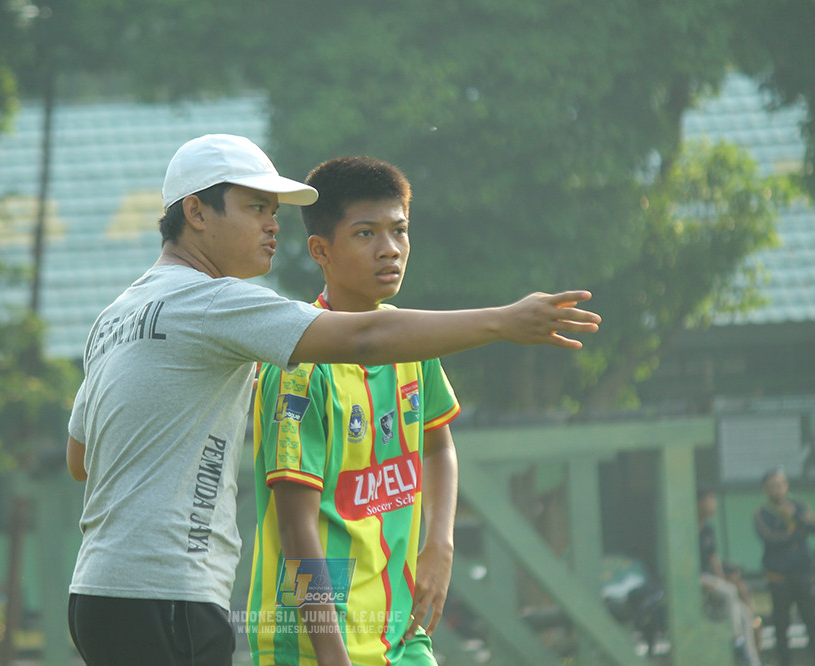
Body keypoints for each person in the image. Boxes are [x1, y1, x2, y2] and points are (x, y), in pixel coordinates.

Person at [65, 134, 601, 666]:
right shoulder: (213, 304)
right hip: (171, 594)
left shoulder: (117, 314)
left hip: (96, 590)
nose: (273, 225)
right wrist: (505, 321)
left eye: (274, 210)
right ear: (196, 212)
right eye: (256, 208)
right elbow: (361, 339)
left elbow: (79, 459)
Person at [247, 156, 461, 666]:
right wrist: (331, 655)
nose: (390, 249)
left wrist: (440, 544)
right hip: (316, 647)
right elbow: (297, 528)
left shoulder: (411, 341)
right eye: (366, 234)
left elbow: (438, 445)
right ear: (321, 249)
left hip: (402, 637)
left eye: (399, 230)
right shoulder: (299, 367)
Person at [756, 466, 815, 666]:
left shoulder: (800, 507)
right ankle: (785, 661)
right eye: (773, 486)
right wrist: (798, 533)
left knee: (811, 620)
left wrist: (795, 518)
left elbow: (812, 526)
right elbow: (771, 539)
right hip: (779, 577)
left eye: (781, 484)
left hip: (803, 575)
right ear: (765, 489)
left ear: (786, 485)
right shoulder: (762, 513)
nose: (778, 489)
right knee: (781, 624)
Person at [698, 486, 763, 666]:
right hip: (693, 579)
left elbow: (714, 559)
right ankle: (736, 640)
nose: (714, 504)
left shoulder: (708, 529)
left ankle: (751, 659)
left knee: (743, 612)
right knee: (729, 592)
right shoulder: (688, 527)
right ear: (699, 502)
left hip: (710, 579)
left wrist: (720, 579)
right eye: (710, 499)